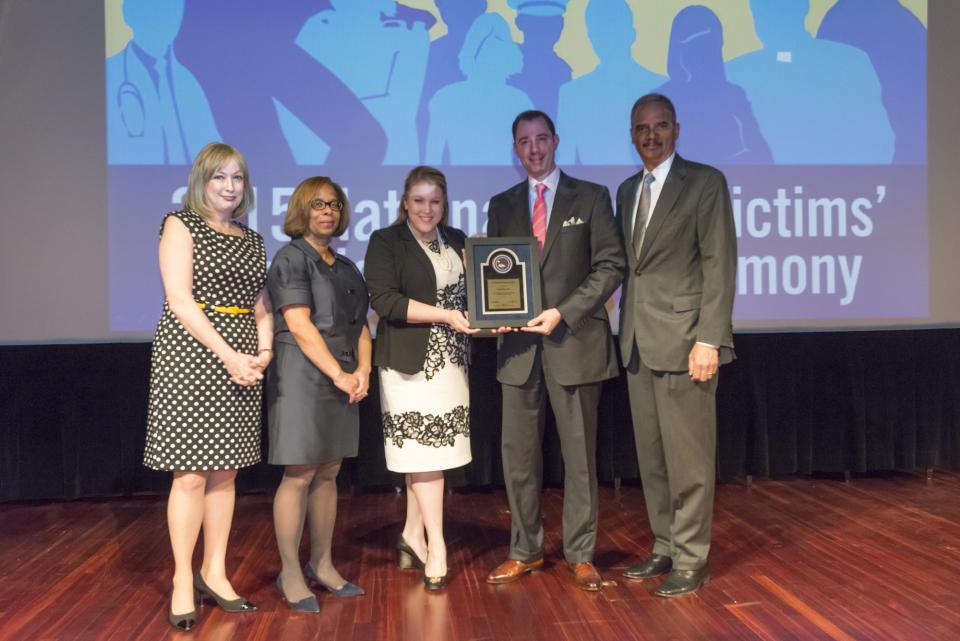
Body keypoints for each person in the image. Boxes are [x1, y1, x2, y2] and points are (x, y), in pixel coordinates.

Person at [484, 110, 625, 592]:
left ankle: (581, 555)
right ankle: (524, 551)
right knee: (519, 460)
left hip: (574, 343)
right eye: (524, 141)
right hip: (519, 351)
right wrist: (494, 311)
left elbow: (610, 266)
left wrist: (563, 312)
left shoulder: (591, 196)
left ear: (556, 140)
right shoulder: (501, 204)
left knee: (579, 459)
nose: (535, 148)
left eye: (542, 138)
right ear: (515, 148)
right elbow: (496, 273)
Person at [143, 143, 271, 630]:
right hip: (193, 355)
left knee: (225, 474)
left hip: (243, 360)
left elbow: (261, 305)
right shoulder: (180, 224)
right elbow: (179, 300)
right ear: (201, 181)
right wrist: (229, 355)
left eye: (237, 178)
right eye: (220, 177)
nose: (229, 186)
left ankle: (214, 572)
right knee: (191, 475)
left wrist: (263, 352)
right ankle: (182, 578)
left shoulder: (252, 238)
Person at [615, 93, 737, 597]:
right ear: (631, 135)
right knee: (654, 461)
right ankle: (665, 545)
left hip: (688, 344)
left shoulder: (705, 183)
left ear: (677, 129)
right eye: (641, 128)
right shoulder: (627, 190)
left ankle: (692, 558)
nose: (651, 136)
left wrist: (709, 338)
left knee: (689, 461)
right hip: (637, 343)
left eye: (660, 126)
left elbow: (719, 264)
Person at [364, 166, 477, 590]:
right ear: (404, 203)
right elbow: (386, 301)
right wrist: (446, 315)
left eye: (434, 201)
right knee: (425, 456)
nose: (426, 209)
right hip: (408, 365)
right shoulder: (385, 241)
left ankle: (412, 534)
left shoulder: (459, 240)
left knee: (423, 457)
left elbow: (477, 297)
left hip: (453, 363)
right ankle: (437, 546)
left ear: (444, 204)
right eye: (418, 201)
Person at [266, 177, 372, 612]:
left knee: (329, 470)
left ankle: (322, 564)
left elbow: (361, 326)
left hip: (343, 375)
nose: (328, 211)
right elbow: (299, 324)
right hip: (303, 376)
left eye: (334, 205)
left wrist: (363, 370)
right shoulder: (291, 258)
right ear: (301, 210)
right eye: (317, 204)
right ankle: (290, 572)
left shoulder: (345, 266)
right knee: (300, 472)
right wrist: (340, 375)